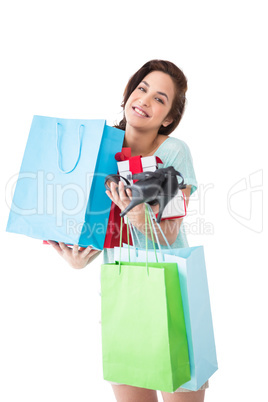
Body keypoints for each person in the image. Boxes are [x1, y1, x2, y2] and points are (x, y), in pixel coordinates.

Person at [48, 60, 207, 402]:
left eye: (160, 99)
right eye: (142, 89)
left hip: (172, 292)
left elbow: (169, 233)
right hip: (123, 293)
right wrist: (79, 260)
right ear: (128, 94)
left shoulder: (173, 152)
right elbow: (96, 227)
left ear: (168, 117)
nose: (146, 101)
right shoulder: (99, 152)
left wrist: (140, 218)